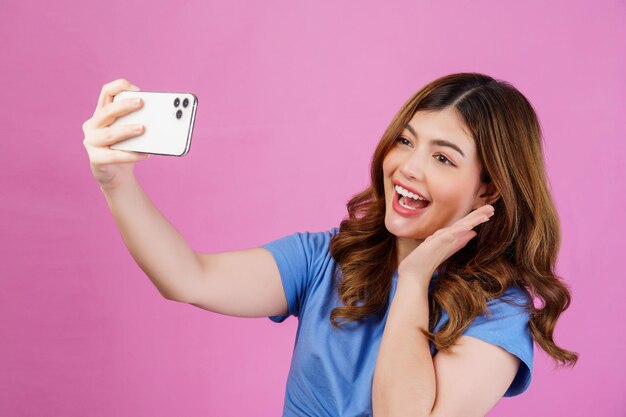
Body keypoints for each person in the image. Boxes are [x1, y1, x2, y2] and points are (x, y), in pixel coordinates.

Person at [82, 72, 578, 417]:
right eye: (405, 141)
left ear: (489, 188)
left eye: (443, 158)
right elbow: (188, 278)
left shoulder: (499, 316)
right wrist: (115, 182)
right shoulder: (329, 258)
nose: (408, 167)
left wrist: (414, 279)